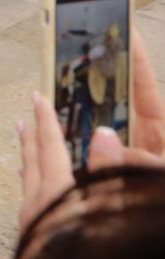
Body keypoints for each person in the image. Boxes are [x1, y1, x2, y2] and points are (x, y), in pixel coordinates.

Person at [16, 30, 165, 257]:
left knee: (97, 131)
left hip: (101, 102)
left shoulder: (106, 57)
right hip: (95, 101)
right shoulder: (95, 56)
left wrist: (46, 246)